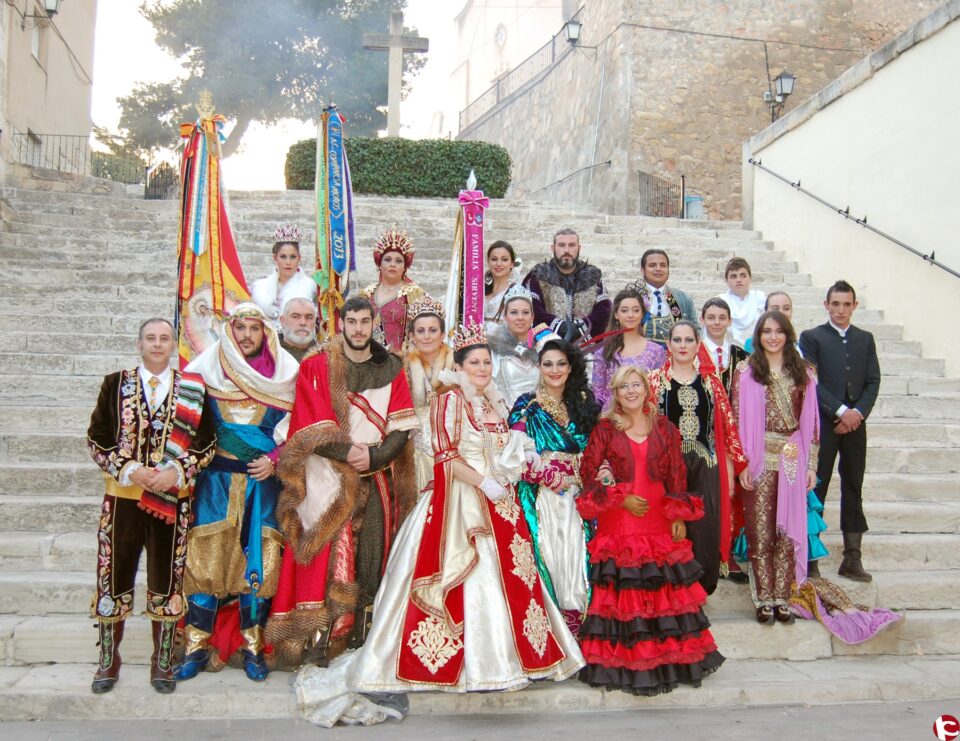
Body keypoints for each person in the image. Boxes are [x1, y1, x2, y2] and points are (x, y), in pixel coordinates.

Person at [294, 321, 584, 727]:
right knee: (462, 576)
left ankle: (505, 661)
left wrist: (509, 471)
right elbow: (447, 455)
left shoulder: (493, 404)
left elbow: (498, 451)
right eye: (474, 363)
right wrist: (483, 481)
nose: (482, 368)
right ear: (460, 367)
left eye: (486, 362)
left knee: (512, 582)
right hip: (459, 500)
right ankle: (468, 665)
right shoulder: (451, 399)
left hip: (499, 503)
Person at [266, 296, 418, 668]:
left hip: (377, 475)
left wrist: (375, 456)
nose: (358, 329)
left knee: (374, 554)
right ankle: (322, 633)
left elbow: (401, 427)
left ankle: (364, 633)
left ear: (373, 323)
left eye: (365, 322)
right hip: (327, 474)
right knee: (328, 555)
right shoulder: (318, 365)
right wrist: (347, 452)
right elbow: (307, 421)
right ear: (341, 323)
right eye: (352, 322)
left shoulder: (393, 367)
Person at [86, 318, 217, 695]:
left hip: (171, 502)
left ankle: (161, 663)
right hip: (123, 499)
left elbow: (207, 443)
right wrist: (130, 470)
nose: (157, 344)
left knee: (167, 581)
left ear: (173, 345)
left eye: (164, 338)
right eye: (150, 338)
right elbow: (96, 438)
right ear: (139, 344)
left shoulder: (192, 389)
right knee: (113, 579)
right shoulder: (115, 384)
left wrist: (176, 471)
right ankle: (109, 660)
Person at [577, 366, 724, 695]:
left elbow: (677, 473)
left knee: (664, 592)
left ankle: (669, 661)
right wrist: (620, 499)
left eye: (635, 385)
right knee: (626, 591)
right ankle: (629, 662)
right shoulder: (604, 429)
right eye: (623, 387)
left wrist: (678, 514)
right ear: (615, 393)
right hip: (621, 516)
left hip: (658, 516)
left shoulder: (665, 428)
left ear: (646, 389)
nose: (630, 391)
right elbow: (588, 471)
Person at [175, 303, 299, 682]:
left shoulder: (285, 374)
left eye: (254, 329)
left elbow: (298, 428)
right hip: (215, 483)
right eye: (240, 327)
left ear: (266, 333)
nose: (246, 335)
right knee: (206, 562)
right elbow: (189, 428)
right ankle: (196, 646)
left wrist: (275, 460)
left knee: (258, 567)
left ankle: (253, 647)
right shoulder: (205, 372)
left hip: (262, 486)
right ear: (229, 332)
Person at [732, 311, 820, 624]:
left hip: (792, 457)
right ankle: (763, 597)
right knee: (760, 529)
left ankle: (783, 595)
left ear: (788, 334)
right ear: (758, 335)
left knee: (787, 529)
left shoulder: (804, 372)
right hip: (758, 458)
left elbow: (812, 424)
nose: (772, 337)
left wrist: (812, 464)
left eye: (778, 331)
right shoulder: (746, 371)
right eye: (766, 331)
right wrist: (740, 463)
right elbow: (736, 420)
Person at [648, 321, 747, 596]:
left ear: (697, 344)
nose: (682, 345)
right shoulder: (654, 382)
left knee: (705, 529)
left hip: (708, 466)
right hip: (667, 470)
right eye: (677, 340)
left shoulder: (711, 383)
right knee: (671, 529)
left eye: (688, 340)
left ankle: (701, 591)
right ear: (668, 345)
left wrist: (728, 473)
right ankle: (674, 594)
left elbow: (726, 431)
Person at [508, 339, 601, 630]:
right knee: (548, 554)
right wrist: (544, 474)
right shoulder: (526, 405)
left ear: (571, 366)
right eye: (547, 364)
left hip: (578, 493)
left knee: (576, 555)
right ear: (539, 367)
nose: (555, 370)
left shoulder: (585, 403)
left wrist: (597, 473)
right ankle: (552, 630)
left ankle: (578, 626)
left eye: (561, 363)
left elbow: (598, 449)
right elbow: (514, 453)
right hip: (541, 494)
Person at [799, 281, 880, 583]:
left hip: (856, 425)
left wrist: (857, 413)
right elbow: (811, 380)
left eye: (847, 304)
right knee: (816, 487)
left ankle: (852, 556)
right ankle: (811, 557)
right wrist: (841, 411)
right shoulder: (812, 337)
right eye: (836, 304)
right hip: (824, 424)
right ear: (826, 305)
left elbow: (873, 381)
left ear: (855, 306)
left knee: (853, 485)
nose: (841, 310)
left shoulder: (865, 339)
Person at [522, 228, 612, 343]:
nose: (566, 250)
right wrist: (561, 327)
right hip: (547, 347)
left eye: (571, 245)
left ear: (579, 248)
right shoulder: (538, 276)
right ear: (553, 248)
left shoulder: (593, 277)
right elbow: (532, 309)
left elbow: (604, 310)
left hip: (585, 348)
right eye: (561, 245)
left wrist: (580, 328)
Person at [403, 295, 453, 494]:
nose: (427, 336)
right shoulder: (403, 366)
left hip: (450, 442)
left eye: (433, 330)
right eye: (420, 331)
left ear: (442, 334)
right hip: (415, 445)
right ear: (412, 335)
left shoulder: (457, 363)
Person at [591, 283, 667, 410]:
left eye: (636, 310)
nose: (630, 315)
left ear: (642, 314)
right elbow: (597, 392)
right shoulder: (603, 352)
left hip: (644, 419)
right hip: (611, 420)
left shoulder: (656, 351)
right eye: (624, 310)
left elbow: (658, 391)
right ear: (616, 314)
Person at [360, 228, 425, 354]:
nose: (393, 264)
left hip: (400, 363)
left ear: (405, 267)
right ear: (379, 264)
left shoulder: (414, 294)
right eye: (388, 259)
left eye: (399, 261)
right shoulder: (366, 294)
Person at [250, 223, 318, 327]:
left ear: (299, 258)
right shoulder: (260, 287)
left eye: (293, 257)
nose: (288, 262)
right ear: (275, 258)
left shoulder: (310, 287)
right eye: (283, 256)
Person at [487, 283, 543, 407]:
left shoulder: (542, 347)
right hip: (505, 417)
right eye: (514, 312)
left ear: (533, 317)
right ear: (505, 316)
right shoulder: (493, 349)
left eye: (525, 312)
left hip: (539, 418)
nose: (520, 318)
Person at [639, 249, 696, 345]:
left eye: (663, 265)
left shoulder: (682, 299)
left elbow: (695, 331)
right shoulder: (633, 297)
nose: (658, 269)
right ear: (642, 270)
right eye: (652, 265)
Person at [699, 297, 748, 397]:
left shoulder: (740, 354)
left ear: (729, 321)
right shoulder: (694, 351)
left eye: (722, 318)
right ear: (702, 320)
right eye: (711, 318)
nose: (717, 322)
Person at [483, 240, 521, 332]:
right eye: (494, 259)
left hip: (505, 343)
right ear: (488, 261)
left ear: (512, 263)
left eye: (504, 259)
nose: (498, 264)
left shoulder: (517, 292)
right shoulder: (477, 289)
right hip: (477, 344)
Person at [279, 297, 322, 362]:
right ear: (283, 321)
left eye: (309, 317)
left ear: (315, 322)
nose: (303, 322)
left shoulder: (324, 356)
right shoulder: (269, 355)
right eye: (295, 316)